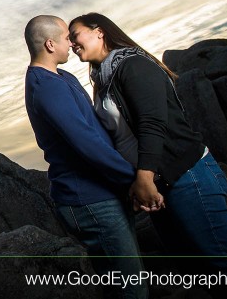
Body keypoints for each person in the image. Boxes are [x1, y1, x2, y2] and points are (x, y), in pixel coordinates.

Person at [68, 12, 227, 299]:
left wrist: (144, 177)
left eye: (74, 34)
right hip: (157, 185)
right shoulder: (104, 80)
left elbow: (153, 123)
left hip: (187, 178)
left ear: (99, 31)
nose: (70, 42)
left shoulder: (132, 65)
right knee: (197, 275)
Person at [24, 15, 147, 299]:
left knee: (122, 284)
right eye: (67, 37)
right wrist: (134, 180)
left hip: (102, 193)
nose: (72, 42)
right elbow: (85, 142)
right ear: (51, 43)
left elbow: (94, 128)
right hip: (89, 201)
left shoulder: (62, 76)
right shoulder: (45, 87)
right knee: (131, 289)